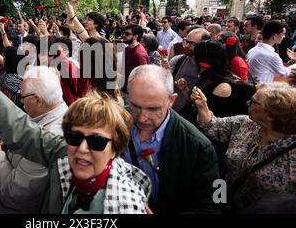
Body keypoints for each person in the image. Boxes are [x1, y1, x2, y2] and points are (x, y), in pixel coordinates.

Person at [0, 43, 151, 214]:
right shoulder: (64, 151)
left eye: (97, 142)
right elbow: (22, 129)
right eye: (74, 137)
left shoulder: (123, 203)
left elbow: (15, 192)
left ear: (115, 149)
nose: (82, 148)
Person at [122, 65, 219, 214]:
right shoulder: (113, 121)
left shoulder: (198, 147)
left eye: (153, 109)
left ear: (171, 100)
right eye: (135, 106)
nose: (142, 117)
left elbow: (211, 206)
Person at [191, 83, 296, 213]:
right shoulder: (245, 124)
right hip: (222, 196)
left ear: (271, 114)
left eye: (253, 102)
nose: (247, 103)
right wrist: (202, 104)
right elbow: (213, 126)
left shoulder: (292, 152)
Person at [0, 66, 68, 213]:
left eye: (22, 96)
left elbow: (14, 191)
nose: (21, 102)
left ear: (37, 100)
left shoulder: (50, 136)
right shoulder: (58, 112)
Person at [120, 24, 148, 99]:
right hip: (123, 90)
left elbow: (142, 78)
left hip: (133, 94)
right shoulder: (127, 49)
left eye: (127, 34)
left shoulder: (139, 54)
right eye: (123, 33)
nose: (123, 36)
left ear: (136, 36)